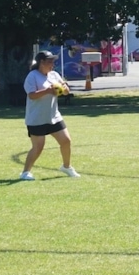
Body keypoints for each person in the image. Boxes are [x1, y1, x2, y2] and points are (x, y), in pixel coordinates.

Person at [20, 51, 80, 180]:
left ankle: (66, 166)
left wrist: (64, 88)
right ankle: (25, 172)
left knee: (66, 141)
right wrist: (47, 91)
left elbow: (66, 91)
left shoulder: (54, 75)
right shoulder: (32, 76)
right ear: (41, 62)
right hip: (37, 118)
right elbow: (32, 95)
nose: (52, 64)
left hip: (53, 116)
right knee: (38, 147)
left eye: (53, 61)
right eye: (50, 62)